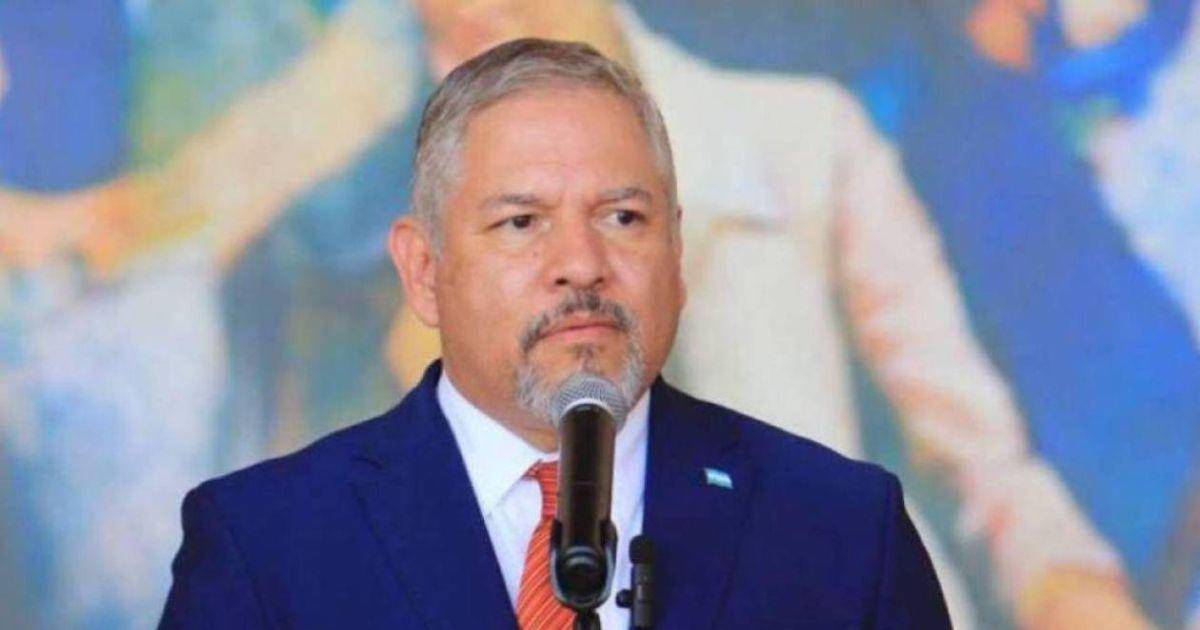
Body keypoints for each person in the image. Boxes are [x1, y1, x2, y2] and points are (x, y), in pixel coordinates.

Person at [160, 38, 950, 628]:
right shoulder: (266, 545)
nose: (581, 264)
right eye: (522, 222)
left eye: (623, 217)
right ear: (423, 270)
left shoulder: (843, 530)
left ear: (675, 253)